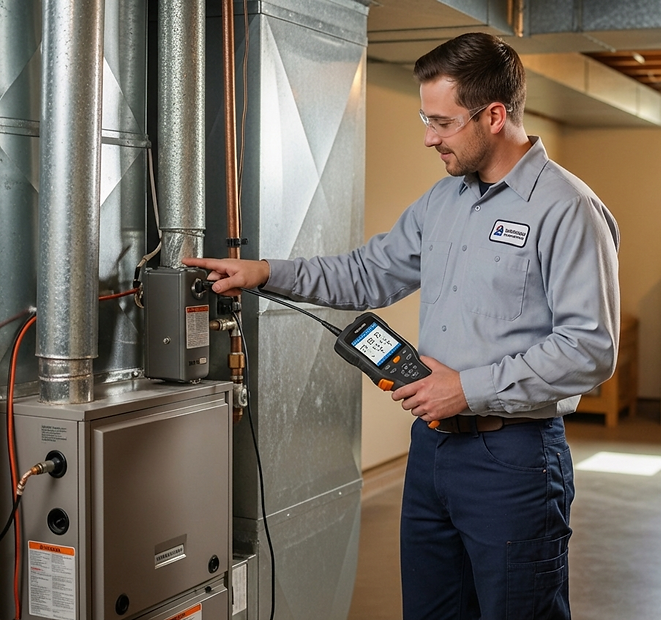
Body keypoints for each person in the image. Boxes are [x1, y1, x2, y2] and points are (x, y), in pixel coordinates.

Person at [185, 32, 620, 620]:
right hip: (433, 450)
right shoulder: (443, 201)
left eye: (442, 122)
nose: (428, 137)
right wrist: (263, 271)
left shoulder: (567, 208)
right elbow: (366, 275)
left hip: (514, 458)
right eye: (424, 118)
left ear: (494, 116)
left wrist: (467, 387)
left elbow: (589, 349)